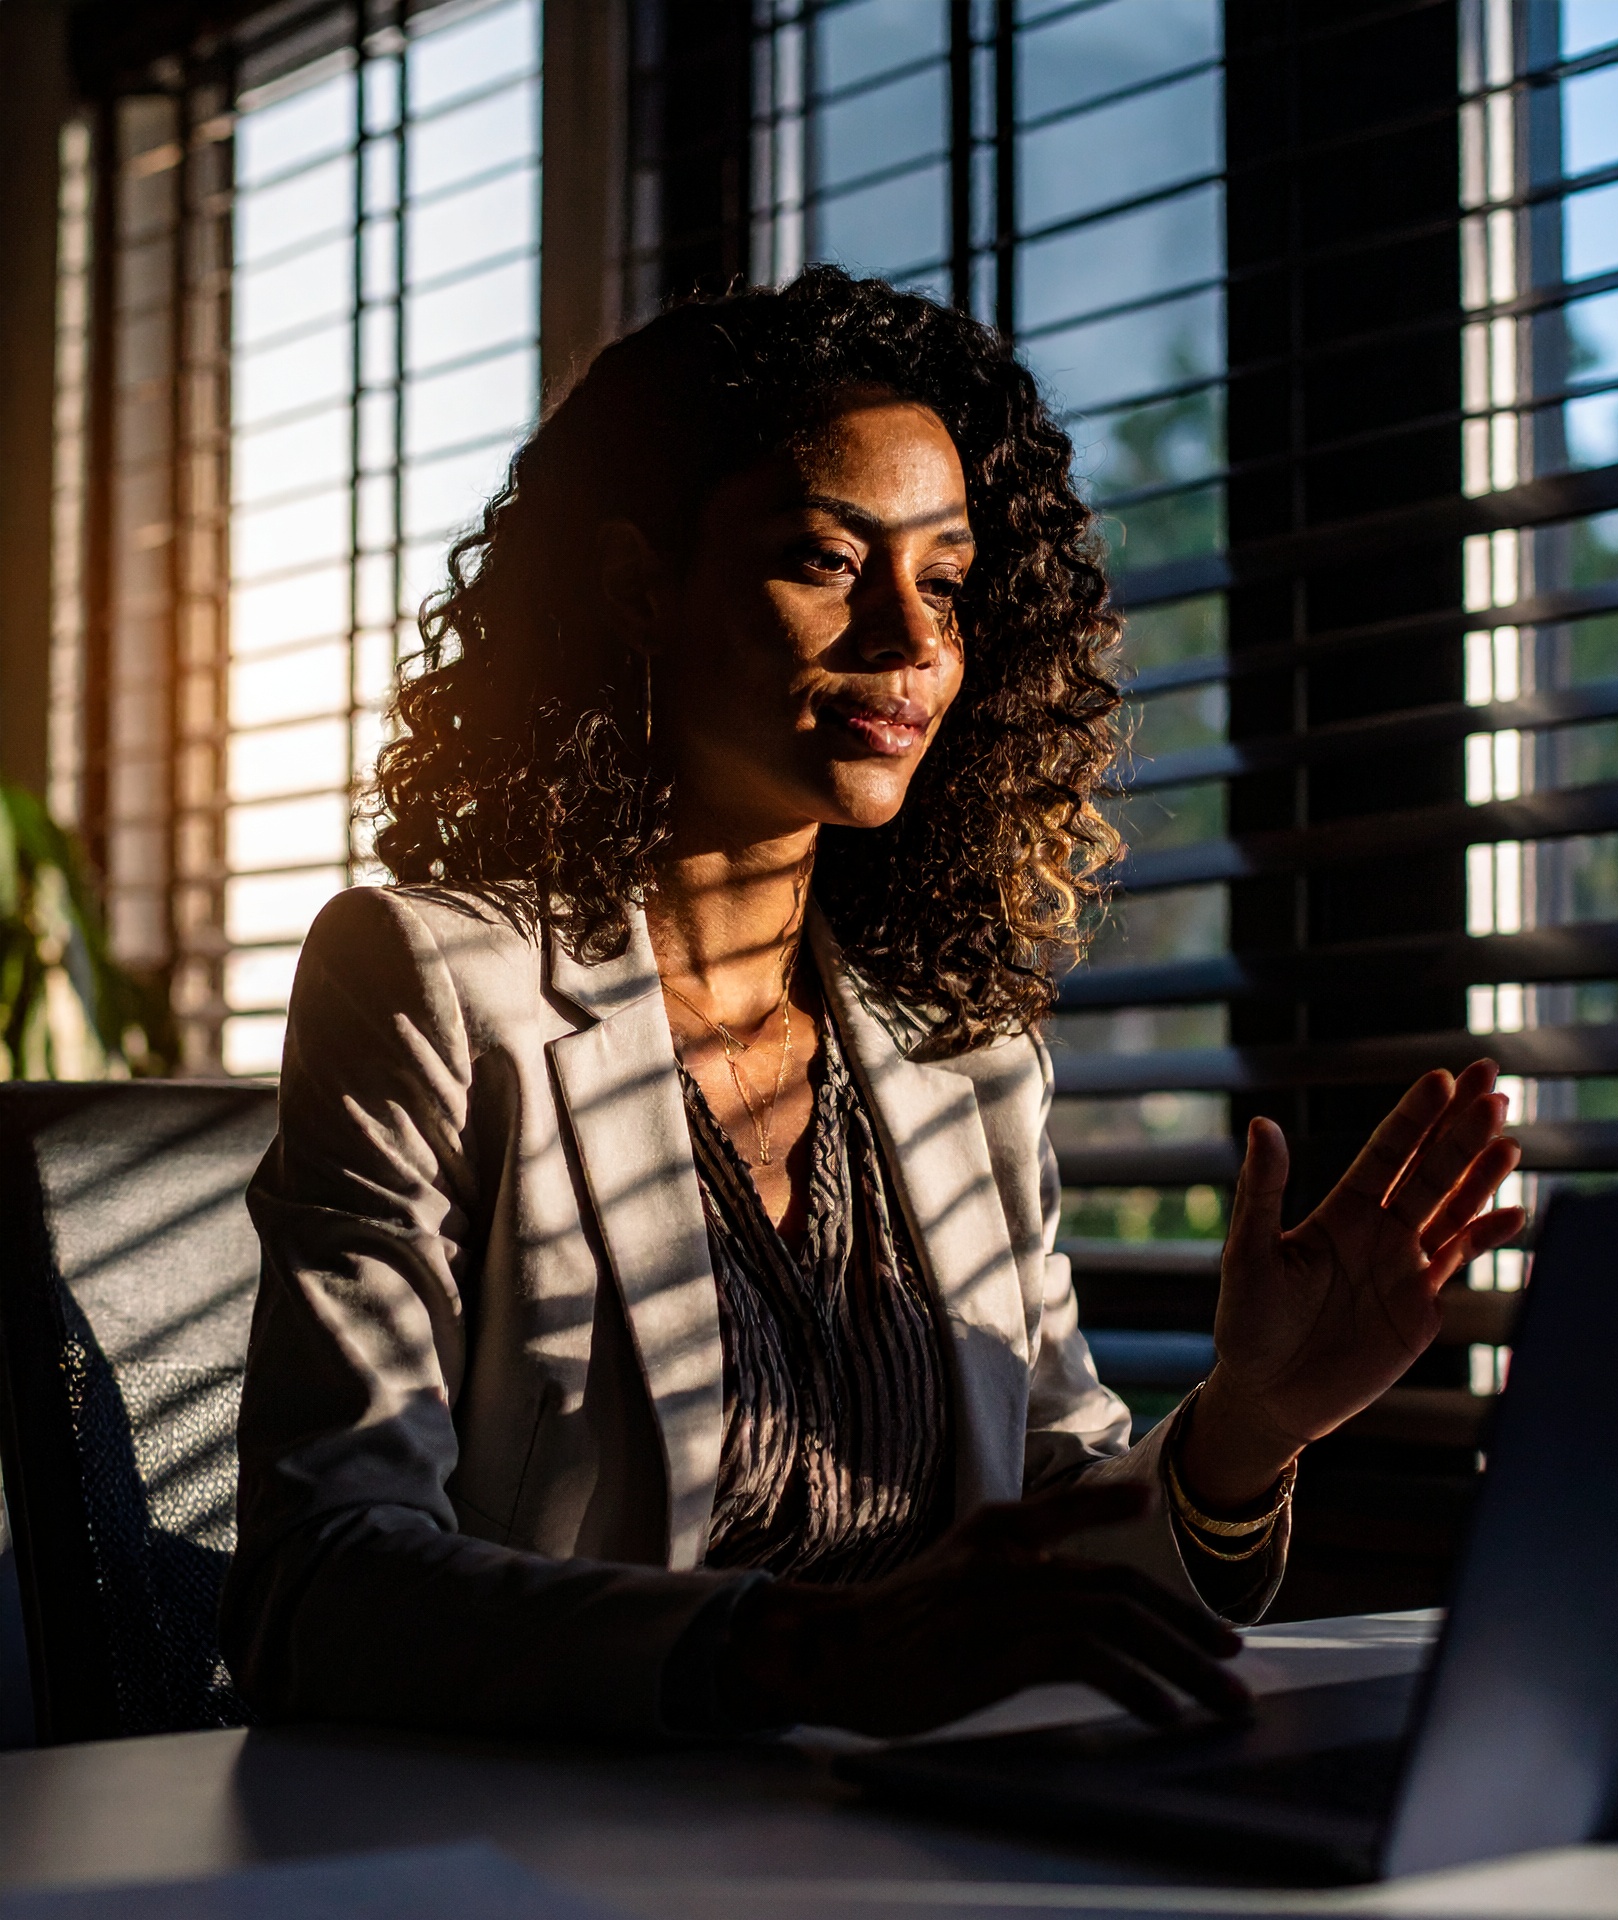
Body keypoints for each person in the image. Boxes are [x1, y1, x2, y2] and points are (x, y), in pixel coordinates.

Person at [222, 268, 1523, 1744]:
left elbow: (1054, 1552)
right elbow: (319, 1587)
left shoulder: (964, 1051)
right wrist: (798, 1654)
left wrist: (1248, 1427)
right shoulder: (432, 986)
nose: (910, 639)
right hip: (578, 1835)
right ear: (640, 589)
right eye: (827, 559)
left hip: (915, 1829)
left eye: (947, 582)